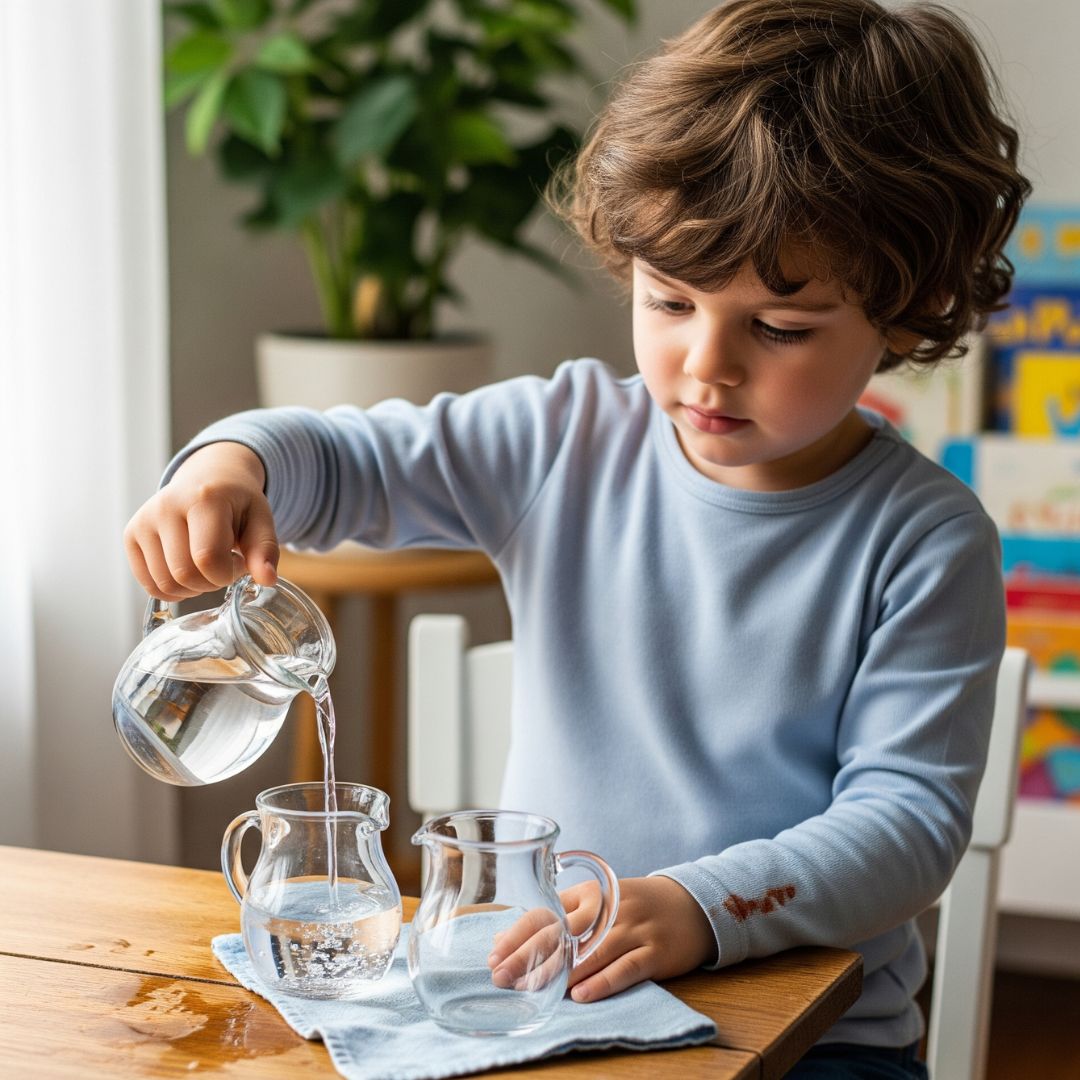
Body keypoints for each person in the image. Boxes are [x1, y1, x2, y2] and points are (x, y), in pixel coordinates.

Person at [124, 1, 1030, 1075]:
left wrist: (700, 906)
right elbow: (338, 457)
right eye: (670, 301)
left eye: (779, 329)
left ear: (908, 304)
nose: (707, 364)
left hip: (813, 1038)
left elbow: (906, 825)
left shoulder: (925, 540)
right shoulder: (560, 439)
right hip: (546, 1000)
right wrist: (231, 467)